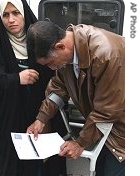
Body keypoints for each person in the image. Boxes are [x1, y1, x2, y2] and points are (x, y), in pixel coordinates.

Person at [0, 0, 66, 175]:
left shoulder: (39, 38)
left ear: (24, 13)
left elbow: (58, 75)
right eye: (5, 14)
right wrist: (15, 79)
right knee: (18, 162)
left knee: (46, 159)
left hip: (42, 110)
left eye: (16, 13)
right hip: (13, 117)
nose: (11, 19)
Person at [26, 21, 125, 176]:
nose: (52, 68)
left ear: (59, 47)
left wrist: (80, 143)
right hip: (104, 127)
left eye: (51, 63)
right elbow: (58, 87)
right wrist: (41, 119)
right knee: (100, 168)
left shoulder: (106, 54)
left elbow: (107, 111)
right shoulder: (70, 52)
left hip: (124, 132)